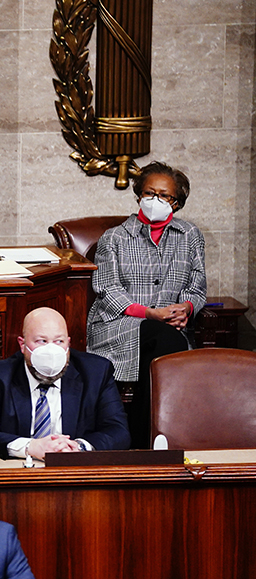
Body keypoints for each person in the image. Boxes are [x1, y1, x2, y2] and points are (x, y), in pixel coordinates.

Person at [86, 161, 206, 448]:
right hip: (118, 326)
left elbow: (197, 287)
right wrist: (150, 313)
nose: (156, 200)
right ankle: (152, 439)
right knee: (166, 340)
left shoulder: (190, 236)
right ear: (139, 194)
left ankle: (137, 441)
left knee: (164, 341)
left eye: (164, 195)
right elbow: (107, 289)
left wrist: (185, 309)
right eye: (150, 193)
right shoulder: (114, 237)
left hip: (169, 327)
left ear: (176, 203)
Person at [0, 307, 130, 460]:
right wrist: (30, 446)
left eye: (59, 341)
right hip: (19, 472)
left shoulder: (96, 372)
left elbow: (119, 432)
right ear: (22, 345)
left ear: (69, 343)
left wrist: (77, 447)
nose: (52, 351)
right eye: (41, 341)